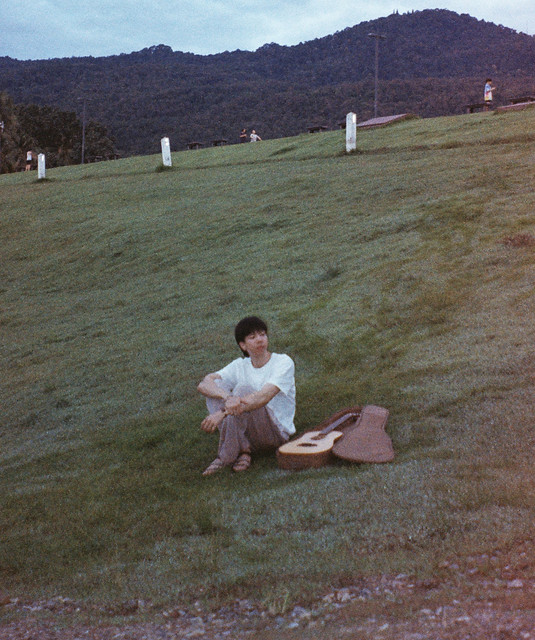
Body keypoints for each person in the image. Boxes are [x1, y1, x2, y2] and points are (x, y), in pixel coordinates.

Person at [197, 316, 295, 475]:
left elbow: (262, 397)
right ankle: (244, 450)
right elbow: (204, 384)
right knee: (217, 388)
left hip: (274, 433)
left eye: (262, 334)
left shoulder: (283, 362)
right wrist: (227, 398)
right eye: (252, 337)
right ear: (243, 345)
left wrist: (222, 413)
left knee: (243, 389)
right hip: (249, 432)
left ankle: (226, 456)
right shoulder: (239, 365)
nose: (260, 340)